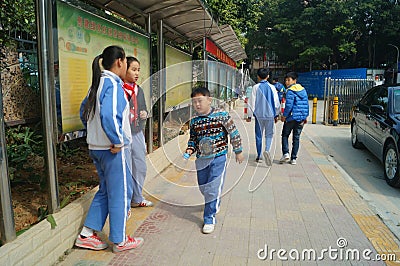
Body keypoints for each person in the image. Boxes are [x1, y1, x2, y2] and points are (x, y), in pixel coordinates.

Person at [76, 45, 144, 253]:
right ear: (120, 62)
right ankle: (120, 239)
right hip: (111, 150)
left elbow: (83, 112)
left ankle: (86, 234)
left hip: (96, 148)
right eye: (126, 63)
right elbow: (108, 116)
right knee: (119, 194)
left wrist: (95, 134)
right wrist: (116, 141)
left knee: (105, 191)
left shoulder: (97, 84)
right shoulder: (114, 85)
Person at [184, 87, 244, 234]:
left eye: (200, 101)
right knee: (203, 187)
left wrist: (238, 151)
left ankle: (209, 217)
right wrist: (189, 150)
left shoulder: (222, 115)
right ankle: (213, 200)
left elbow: (233, 132)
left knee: (212, 187)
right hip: (201, 160)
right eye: (194, 102)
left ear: (209, 100)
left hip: (219, 157)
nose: (197, 105)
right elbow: (193, 140)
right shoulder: (194, 122)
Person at [123, 56, 153, 207]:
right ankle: (127, 201)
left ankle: (137, 197)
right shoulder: (119, 88)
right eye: (133, 69)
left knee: (140, 165)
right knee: (126, 167)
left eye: (138, 70)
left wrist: (144, 113)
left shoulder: (138, 89)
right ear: (124, 69)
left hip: (137, 132)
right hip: (124, 135)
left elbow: (144, 107)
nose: (136, 73)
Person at [248, 68, 280, 165]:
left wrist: (249, 115)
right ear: (268, 76)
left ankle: (259, 156)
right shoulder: (272, 87)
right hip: (270, 115)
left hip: (259, 116)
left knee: (258, 135)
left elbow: (251, 103)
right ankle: (267, 150)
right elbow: (276, 103)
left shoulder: (255, 88)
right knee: (269, 134)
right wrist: (276, 114)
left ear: (258, 76)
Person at [279, 71, 309, 165]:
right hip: (301, 118)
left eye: (289, 80)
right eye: (286, 80)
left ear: (294, 80)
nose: (287, 82)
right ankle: (294, 158)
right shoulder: (303, 90)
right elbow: (306, 104)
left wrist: (284, 116)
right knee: (296, 138)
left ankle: (286, 153)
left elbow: (289, 105)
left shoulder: (290, 91)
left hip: (291, 117)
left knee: (285, 135)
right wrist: (305, 116)